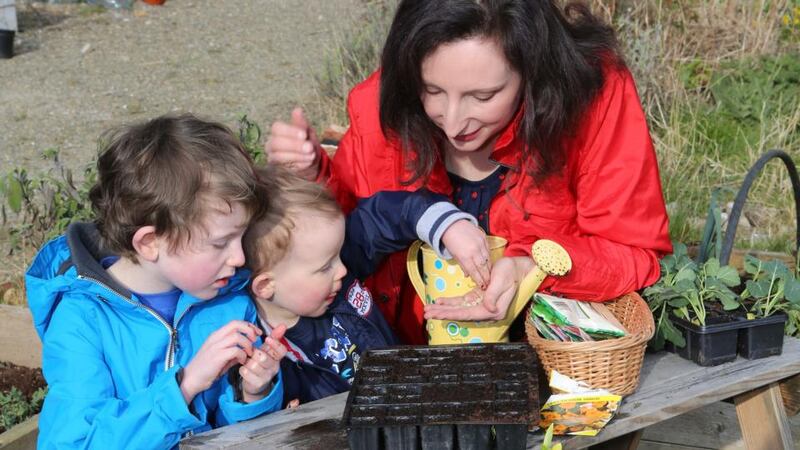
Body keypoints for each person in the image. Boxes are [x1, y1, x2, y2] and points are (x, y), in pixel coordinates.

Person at [266, 0, 672, 344]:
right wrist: (311, 177)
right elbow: (349, 238)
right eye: (433, 90)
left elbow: (633, 254)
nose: (455, 122)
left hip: (547, 354)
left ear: (533, 71)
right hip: (397, 354)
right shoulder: (382, 102)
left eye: (483, 96)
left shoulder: (592, 96)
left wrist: (531, 267)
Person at [25, 114, 287, 449]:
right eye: (221, 243)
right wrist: (184, 387)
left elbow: (241, 438)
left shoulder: (230, 304)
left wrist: (253, 393)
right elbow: (74, 444)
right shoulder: (82, 322)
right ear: (150, 243)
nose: (239, 258)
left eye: (242, 237)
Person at [243, 166, 477, 405]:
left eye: (338, 257)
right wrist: (259, 393)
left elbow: (383, 216)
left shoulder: (333, 266)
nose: (343, 270)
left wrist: (446, 225)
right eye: (325, 267)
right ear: (266, 286)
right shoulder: (267, 354)